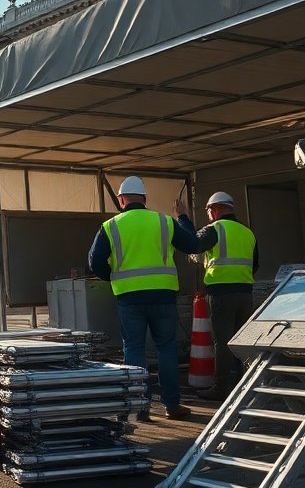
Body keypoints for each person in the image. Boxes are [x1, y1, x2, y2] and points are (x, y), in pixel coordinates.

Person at [88, 176, 200, 421]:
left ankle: (140, 407)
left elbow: (95, 262)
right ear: (145, 199)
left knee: (135, 350)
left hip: (129, 297)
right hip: (163, 295)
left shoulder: (111, 226)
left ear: (121, 200)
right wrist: (182, 217)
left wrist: (115, 277)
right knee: (166, 348)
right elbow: (193, 245)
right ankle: (172, 406)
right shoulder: (164, 222)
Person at [176, 191, 259, 401]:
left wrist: (183, 218)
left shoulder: (215, 229)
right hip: (245, 293)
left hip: (221, 294)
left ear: (214, 210)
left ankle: (220, 388)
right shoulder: (247, 232)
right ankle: (248, 386)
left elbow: (193, 243)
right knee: (243, 342)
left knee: (222, 342)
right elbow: (255, 265)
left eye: (209, 212)